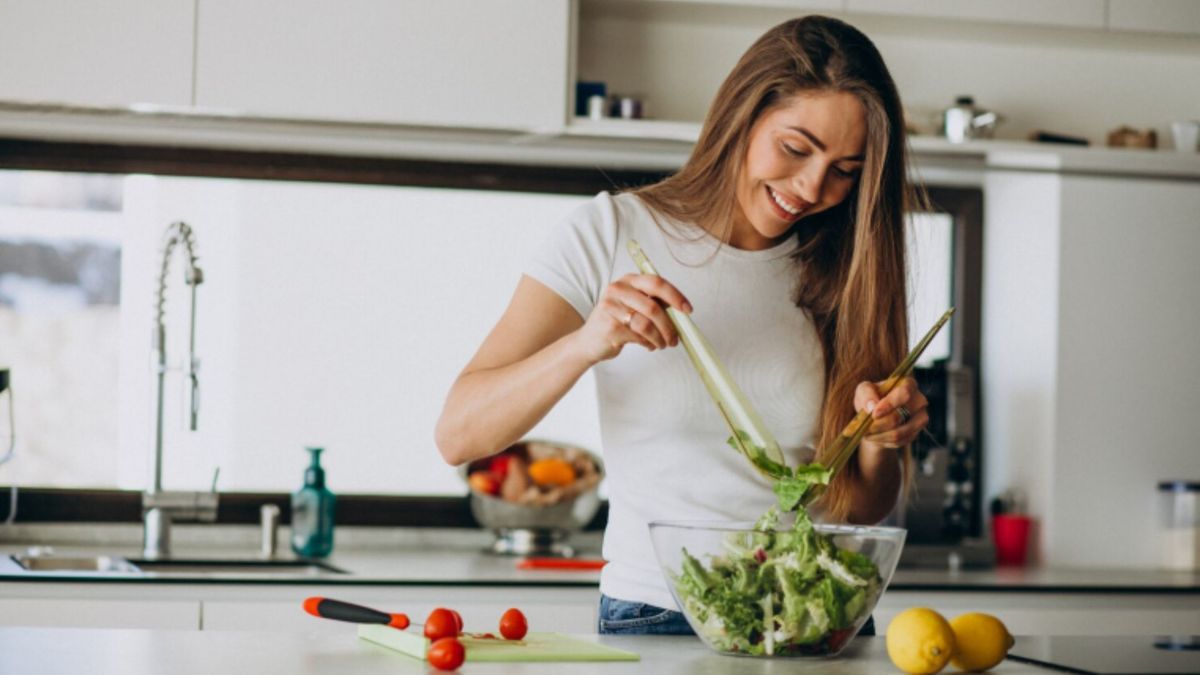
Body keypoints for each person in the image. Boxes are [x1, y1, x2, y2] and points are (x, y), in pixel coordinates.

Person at [435, 15, 929, 636]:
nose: (811, 187)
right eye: (795, 149)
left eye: (845, 170)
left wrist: (881, 441)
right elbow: (460, 434)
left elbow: (858, 508)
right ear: (741, 118)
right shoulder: (611, 234)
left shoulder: (848, 269)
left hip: (818, 615)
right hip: (660, 611)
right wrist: (587, 342)